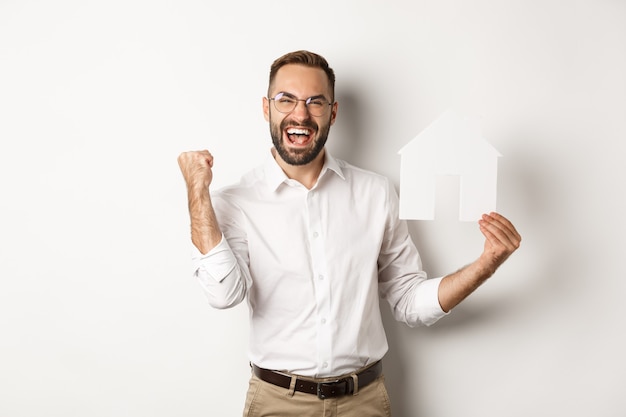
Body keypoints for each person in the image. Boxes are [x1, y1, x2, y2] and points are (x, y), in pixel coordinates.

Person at [177, 50, 521, 417]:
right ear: (266, 108)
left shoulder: (376, 193)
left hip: (365, 403)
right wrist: (197, 191)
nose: (300, 114)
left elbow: (408, 301)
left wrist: (485, 264)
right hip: (277, 403)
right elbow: (223, 294)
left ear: (333, 112)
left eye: (315, 102)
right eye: (286, 100)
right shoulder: (235, 202)